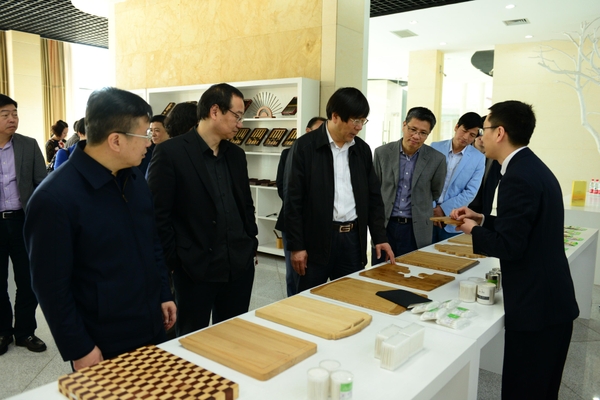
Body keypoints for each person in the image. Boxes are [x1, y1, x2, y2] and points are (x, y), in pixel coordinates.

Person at [23, 87, 176, 370]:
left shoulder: (135, 179)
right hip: (102, 339)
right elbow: (51, 287)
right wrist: (79, 347)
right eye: (144, 135)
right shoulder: (54, 198)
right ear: (115, 140)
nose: (149, 143)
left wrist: (164, 294)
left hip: (151, 322)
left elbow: (151, 242)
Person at [450, 100, 579, 400]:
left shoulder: (517, 177)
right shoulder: (530, 166)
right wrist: (482, 218)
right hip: (550, 303)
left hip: (537, 309)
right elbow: (524, 227)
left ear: (499, 133)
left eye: (484, 129)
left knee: (524, 391)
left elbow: (511, 246)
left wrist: (472, 230)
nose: (480, 136)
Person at [148, 83, 258, 336]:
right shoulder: (171, 153)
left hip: (238, 266)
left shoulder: (236, 155)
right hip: (194, 268)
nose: (240, 124)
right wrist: (174, 261)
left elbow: (245, 204)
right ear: (215, 111)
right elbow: (158, 215)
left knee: (232, 336)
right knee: (190, 339)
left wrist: (250, 241)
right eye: (237, 116)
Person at [284, 87, 394, 292]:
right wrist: (297, 246)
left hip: (352, 240)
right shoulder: (305, 148)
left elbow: (373, 198)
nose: (359, 127)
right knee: (309, 300)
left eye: (363, 121)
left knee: (349, 297)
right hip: (316, 239)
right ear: (335, 116)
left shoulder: (361, 150)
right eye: (355, 120)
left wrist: (380, 237)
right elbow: (293, 201)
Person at [0, 94, 47, 356]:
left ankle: (25, 332)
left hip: (22, 221)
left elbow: (42, 184)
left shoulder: (28, 145)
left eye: (15, 113)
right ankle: (3, 331)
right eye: (5, 114)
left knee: (28, 280)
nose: (12, 119)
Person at [373, 107, 446, 261]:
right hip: (386, 226)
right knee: (381, 272)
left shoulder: (437, 159)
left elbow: (436, 191)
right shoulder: (382, 153)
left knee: (414, 272)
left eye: (423, 133)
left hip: (416, 228)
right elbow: (375, 190)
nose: (416, 136)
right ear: (404, 125)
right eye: (412, 129)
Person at [275, 116, 326, 296]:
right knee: (295, 274)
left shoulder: (328, 156)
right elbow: (283, 187)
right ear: (307, 131)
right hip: (293, 221)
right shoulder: (289, 153)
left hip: (318, 226)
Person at [430, 112, 484, 242]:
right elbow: (425, 181)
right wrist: (432, 209)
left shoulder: (478, 158)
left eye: (472, 135)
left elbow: (470, 191)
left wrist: (443, 210)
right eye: (464, 131)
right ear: (456, 127)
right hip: (427, 216)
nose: (466, 137)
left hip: (453, 220)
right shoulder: (435, 147)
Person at [468, 117, 502, 215]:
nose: (482, 137)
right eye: (479, 132)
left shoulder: (496, 158)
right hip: (460, 206)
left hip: (483, 208)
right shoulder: (464, 153)